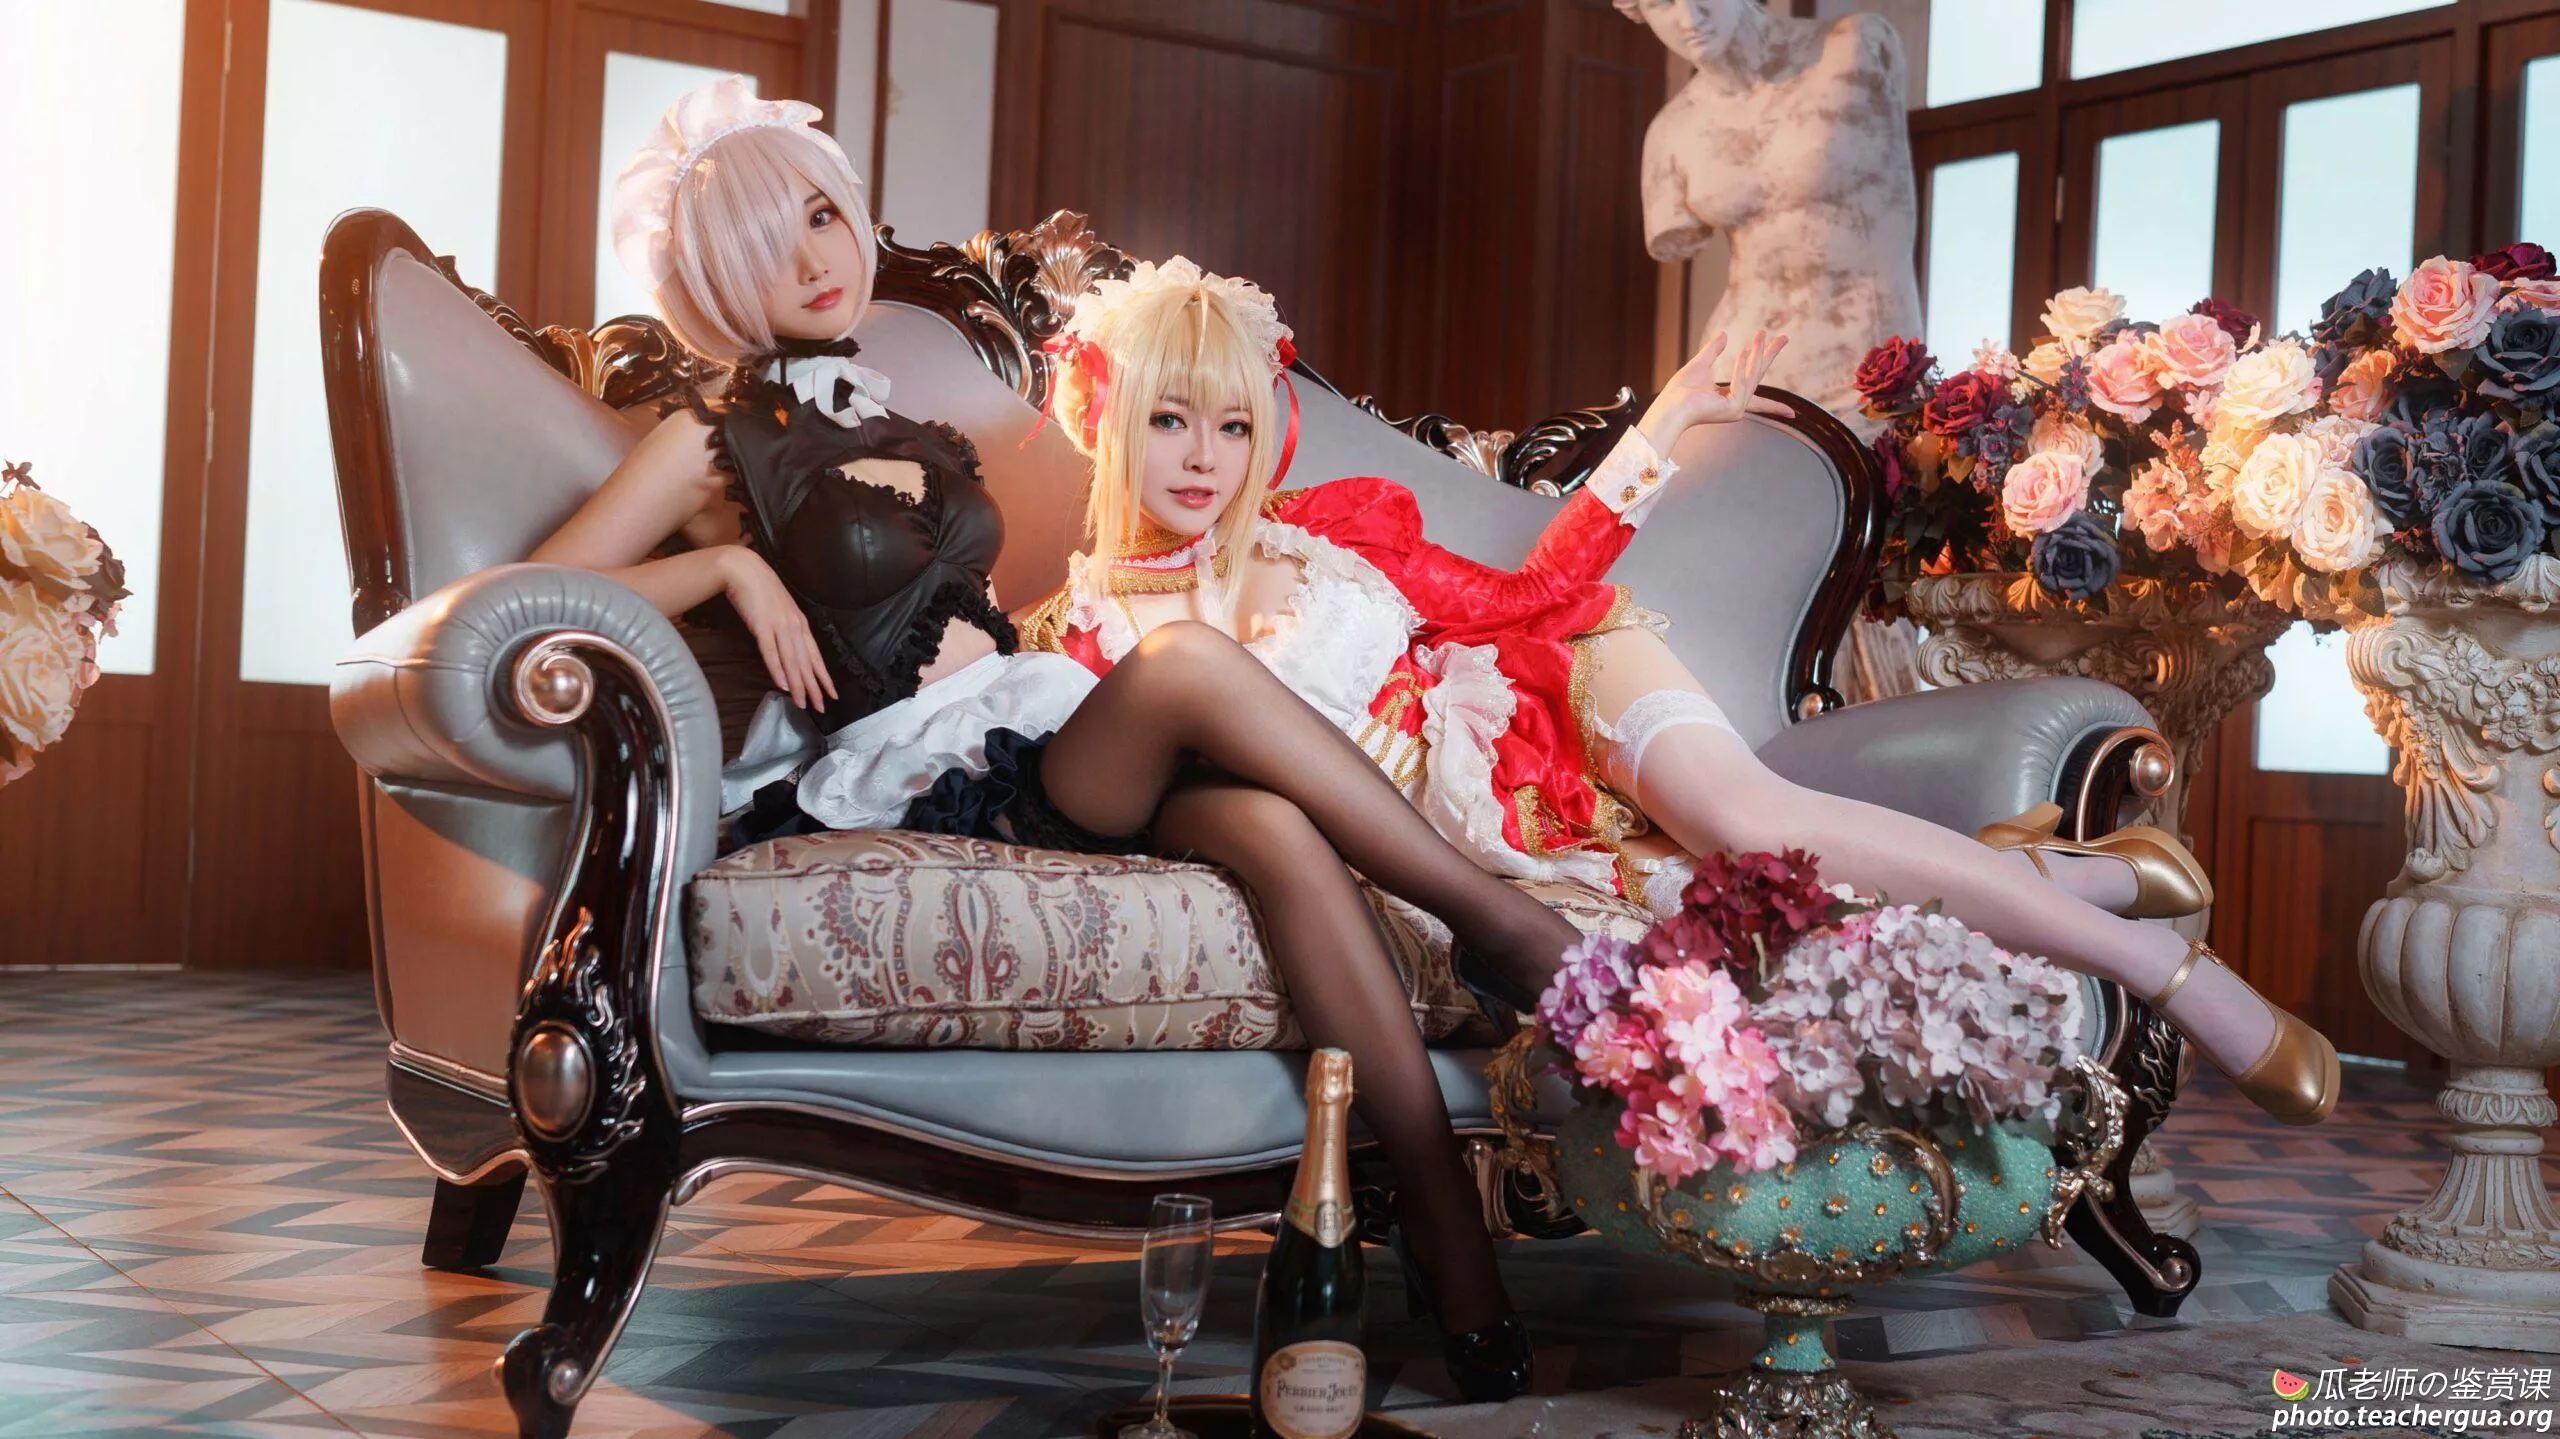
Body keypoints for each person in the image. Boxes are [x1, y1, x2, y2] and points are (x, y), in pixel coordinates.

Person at [524, 75, 1569, 1399]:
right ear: (720, 279)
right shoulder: (707, 439)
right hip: (934, 767)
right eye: (771, 244)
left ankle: (1449, 1244)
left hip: (1037, 718)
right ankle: (1508, 929)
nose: (819, 259)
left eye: (827, 217)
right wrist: (729, 569)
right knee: (1184, 661)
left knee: (1276, 834)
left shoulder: (891, 416)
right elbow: (538, 589)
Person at [1019, 258, 2341, 1130]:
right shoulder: (1083, 641)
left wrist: (1658, 432)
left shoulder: (1333, 528)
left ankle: (2167, 967)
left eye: (1233, 423)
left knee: (1750, 821)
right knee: (1767, 899)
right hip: (1503, 816)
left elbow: (1530, 595)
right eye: (1171, 420)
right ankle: (2080, 876)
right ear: (1111, 421)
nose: (1204, 457)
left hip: (1570, 666)